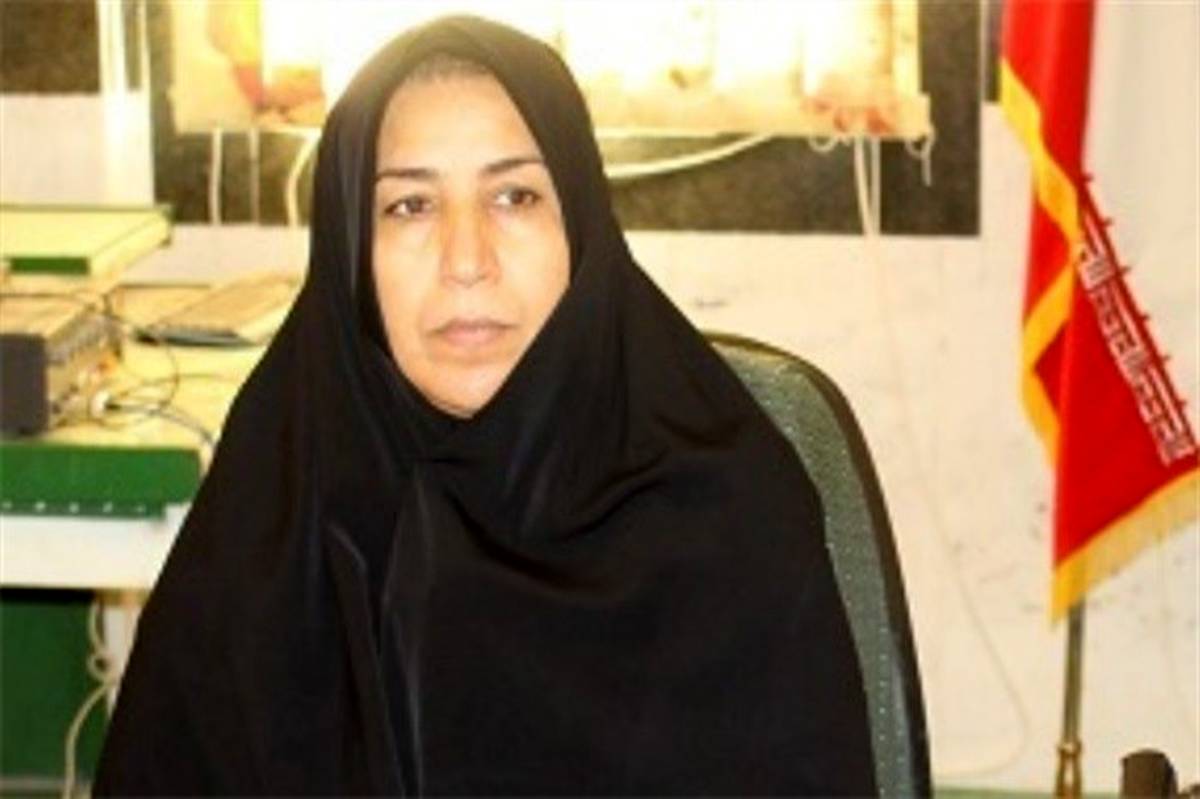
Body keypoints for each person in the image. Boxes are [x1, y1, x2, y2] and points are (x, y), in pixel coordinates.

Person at [95, 15, 876, 796]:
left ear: (581, 227)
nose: (466, 259)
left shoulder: (725, 515)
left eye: (514, 196)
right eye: (410, 205)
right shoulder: (273, 522)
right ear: (349, 254)